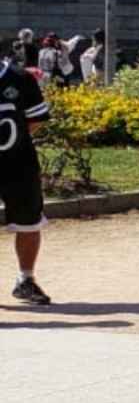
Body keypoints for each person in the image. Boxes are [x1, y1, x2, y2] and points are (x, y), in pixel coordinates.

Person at [1, 52, 52, 304]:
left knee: (29, 222)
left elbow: (36, 119)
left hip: (19, 163)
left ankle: (25, 280)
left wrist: (13, 142)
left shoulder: (20, 78)